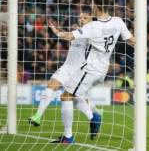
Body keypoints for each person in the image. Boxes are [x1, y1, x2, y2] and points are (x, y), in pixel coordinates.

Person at [47, 0, 135, 144]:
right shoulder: (118, 21)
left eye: (93, 5)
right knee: (79, 95)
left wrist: (56, 32)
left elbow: (69, 37)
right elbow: (132, 40)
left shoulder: (92, 26)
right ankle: (94, 116)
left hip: (90, 69)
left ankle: (69, 137)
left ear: (96, 7)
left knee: (66, 96)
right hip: (103, 69)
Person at [28, 10, 102, 141]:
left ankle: (92, 118)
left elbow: (71, 37)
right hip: (67, 67)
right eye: (80, 17)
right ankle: (38, 116)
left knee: (75, 99)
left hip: (80, 71)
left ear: (92, 20)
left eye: (85, 18)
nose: (81, 19)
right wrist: (57, 32)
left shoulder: (92, 33)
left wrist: (57, 32)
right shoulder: (79, 31)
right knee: (52, 86)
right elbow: (69, 35)